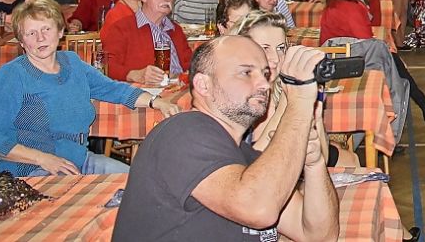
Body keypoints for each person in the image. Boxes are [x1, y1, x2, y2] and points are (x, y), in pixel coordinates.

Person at [112, 36, 339, 241]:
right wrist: (299, 102)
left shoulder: (245, 158)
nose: (264, 84)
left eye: (265, 74)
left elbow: (319, 235)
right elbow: (258, 209)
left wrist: (314, 164)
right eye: (246, 73)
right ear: (204, 85)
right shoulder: (181, 132)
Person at [0, 0, 178, 176]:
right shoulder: (13, 75)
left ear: (60, 31)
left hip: (81, 161)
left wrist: (155, 101)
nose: (40, 38)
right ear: (21, 41)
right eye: (31, 33)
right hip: (33, 170)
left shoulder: (72, 62)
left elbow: (113, 89)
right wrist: (43, 159)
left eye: (46, 29)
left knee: (141, 183)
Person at [230, 10, 353, 169]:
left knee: (352, 160)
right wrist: (289, 101)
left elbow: (322, 157)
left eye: (280, 48)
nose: (276, 58)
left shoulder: (282, 89)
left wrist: (316, 115)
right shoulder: (237, 98)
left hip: (296, 168)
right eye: (265, 48)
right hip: (260, 175)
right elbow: (255, 163)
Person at [100, 0, 192, 86]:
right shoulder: (122, 27)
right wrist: (134, 74)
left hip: (179, 88)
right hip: (143, 91)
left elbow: (190, 64)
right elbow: (107, 65)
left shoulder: (175, 30)